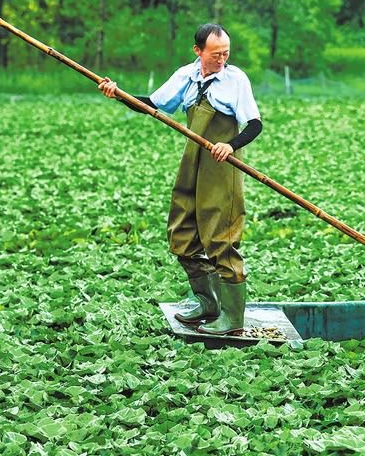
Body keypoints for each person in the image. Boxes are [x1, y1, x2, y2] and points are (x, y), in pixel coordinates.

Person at [98, 23, 262, 336]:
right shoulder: (186, 75)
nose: (222, 60)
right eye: (215, 54)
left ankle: (232, 319)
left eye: (226, 53)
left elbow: (254, 124)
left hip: (222, 167)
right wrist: (117, 94)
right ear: (198, 51)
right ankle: (208, 303)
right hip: (192, 163)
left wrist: (230, 145)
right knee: (183, 232)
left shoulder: (236, 79)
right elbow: (151, 104)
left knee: (221, 237)